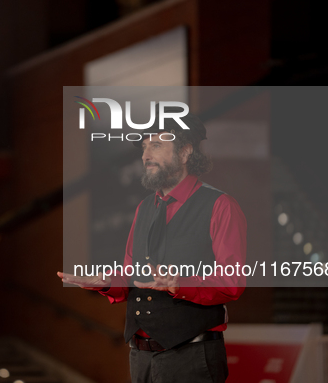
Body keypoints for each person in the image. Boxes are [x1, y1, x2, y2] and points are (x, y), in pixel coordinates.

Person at [57, 113, 246, 383]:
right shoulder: (144, 207)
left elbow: (232, 282)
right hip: (141, 357)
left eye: (156, 145)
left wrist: (180, 284)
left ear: (184, 152)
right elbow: (132, 274)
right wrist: (105, 281)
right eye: (144, 146)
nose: (146, 154)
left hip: (191, 356)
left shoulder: (221, 205)